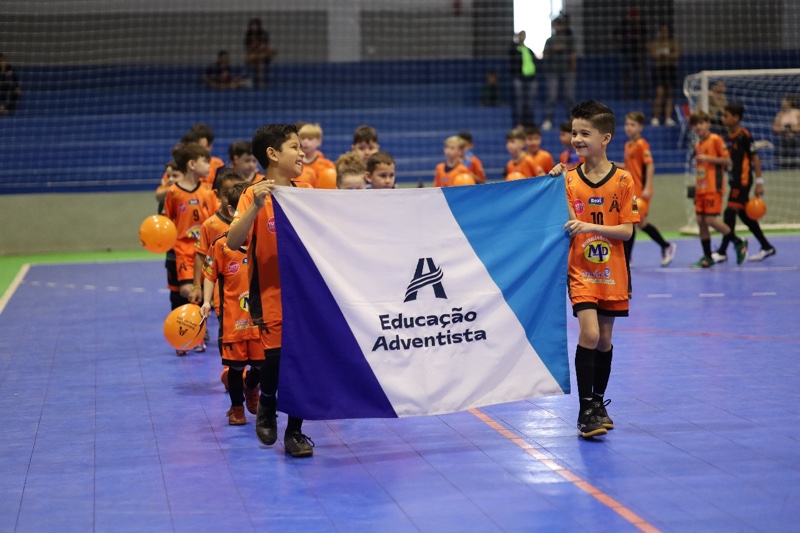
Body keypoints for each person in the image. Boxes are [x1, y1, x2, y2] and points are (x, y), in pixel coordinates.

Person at [548, 100, 638, 439]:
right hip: (581, 270)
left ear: (606, 138)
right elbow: (550, 212)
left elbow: (627, 231)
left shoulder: (624, 180)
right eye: (574, 132)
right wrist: (551, 181)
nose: (576, 139)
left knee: (605, 340)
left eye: (585, 133)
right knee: (590, 334)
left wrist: (588, 227)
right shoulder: (567, 180)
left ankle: (599, 402)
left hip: (613, 272)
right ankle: (585, 409)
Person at [225, 124, 314, 458]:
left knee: (302, 363)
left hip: (305, 294)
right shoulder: (253, 193)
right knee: (275, 360)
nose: (301, 152)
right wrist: (256, 206)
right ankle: (266, 400)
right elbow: (234, 241)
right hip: (271, 293)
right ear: (273, 155)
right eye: (294, 146)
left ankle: (295, 432)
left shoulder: (307, 191)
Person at [200, 180, 264, 426]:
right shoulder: (221, 245)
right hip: (233, 322)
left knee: (261, 366)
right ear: (231, 212)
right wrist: (206, 301)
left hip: (260, 320)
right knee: (235, 368)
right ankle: (236, 408)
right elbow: (209, 274)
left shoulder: (263, 242)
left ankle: (252, 388)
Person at [162, 143, 219, 355]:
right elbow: (168, 222)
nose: (209, 165)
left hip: (206, 249)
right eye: (206, 161)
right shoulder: (174, 193)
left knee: (208, 294)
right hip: (184, 248)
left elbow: (215, 218)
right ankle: (185, 333)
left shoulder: (208, 190)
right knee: (188, 291)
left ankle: (197, 332)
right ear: (192, 164)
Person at [712, 103, 776, 263]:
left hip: (743, 181)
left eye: (726, 116)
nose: (722, 118)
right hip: (734, 181)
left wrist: (759, 182)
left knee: (729, 213)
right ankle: (766, 247)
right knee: (746, 215)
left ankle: (722, 251)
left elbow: (755, 157)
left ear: (736, 118)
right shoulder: (727, 137)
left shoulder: (744, 136)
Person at [688, 110, 748, 268]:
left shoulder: (715, 139)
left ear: (708, 123)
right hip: (702, 188)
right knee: (701, 222)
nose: (698, 127)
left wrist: (708, 158)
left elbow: (728, 161)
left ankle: (738, 241)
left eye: (701, 123)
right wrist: (696, 191)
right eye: (695, 124)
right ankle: (707, 256)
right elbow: (700, 171)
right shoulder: (698, 144)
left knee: (709, 219)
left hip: (714, 187)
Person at [623, 111, 677, 266]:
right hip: (632, 189)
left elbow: (649, 165)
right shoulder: (628, 145)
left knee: (633, 222)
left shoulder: (641, 144)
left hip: (641, 189)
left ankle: (629, 258)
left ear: (640, 127)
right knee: (639, 223)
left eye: (632, 125)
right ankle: (666, 246)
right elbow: (629, 167)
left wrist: (647, 187)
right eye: (627, 124)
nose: (628, 127)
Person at [541, 16, 577, 131]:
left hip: (567, 72)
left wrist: (572, 69)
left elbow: (573, 55)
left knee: (569, 96)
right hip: (553, 72)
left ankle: (573, 121)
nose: (558, 27)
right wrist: (554, 50)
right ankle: (548, 120)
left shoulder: (569, 39)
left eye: (560, 24)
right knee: (551, 97)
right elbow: (545, 55)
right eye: (556, 24)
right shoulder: (550, 40)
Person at [613, 8, 647, 101]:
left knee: (642, 73)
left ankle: (644, 96)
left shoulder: (641, 24)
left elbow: (644, 37)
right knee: (626, 74)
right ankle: (626, 98)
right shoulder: (624, 24)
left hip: (638, 51)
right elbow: (615, 34)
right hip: (626, 51)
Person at [648, 25, 680, 126]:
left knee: (669, 93)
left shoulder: (672, 43)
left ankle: (668, 118)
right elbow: (653, 54)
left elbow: (677, 54)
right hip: (659, 69)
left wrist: (668, 56)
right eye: (662, 31)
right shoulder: (655, 43)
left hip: (670, 69)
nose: (664, 33)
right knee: (660, 93)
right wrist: (661, 56)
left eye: (665, 31)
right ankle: (655, 118)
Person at [508, 31, 537, 127]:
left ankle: (529, 123)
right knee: (519, 102)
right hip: (519, 78)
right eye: (520, 35)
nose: (522, 37)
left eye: (523, 35)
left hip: (530, 78)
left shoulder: (528, 49)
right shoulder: (514, 49)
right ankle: (519, 123)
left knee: (529, 102)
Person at [297, 123, 336, 188]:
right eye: (303, 138)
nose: (306, 141)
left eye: (310, 139)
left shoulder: (327, 165)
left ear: (319, 142)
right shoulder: (293, 164)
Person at [244, 18, 276, 88]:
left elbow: (264, 47)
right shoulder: (248, 34)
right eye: (252, 25)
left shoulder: (264, 34)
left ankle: (259, 81)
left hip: (263, 55)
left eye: (255, 25)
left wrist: (256, 49)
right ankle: (260, 82)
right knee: (258, 62)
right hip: (253, 55)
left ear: (259, 26)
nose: (253, 27)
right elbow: (248, 49)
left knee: (264, 56)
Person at [772, 94, 800, 169]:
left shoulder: (798, 113)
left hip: (796, 139)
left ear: (790, 102)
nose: (782, 102)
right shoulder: (780, 114)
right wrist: (784, 129)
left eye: (784, 100)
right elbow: (774, 128)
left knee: (796, 162)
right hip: (783, 140)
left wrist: (791, 129)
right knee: (783, 162)